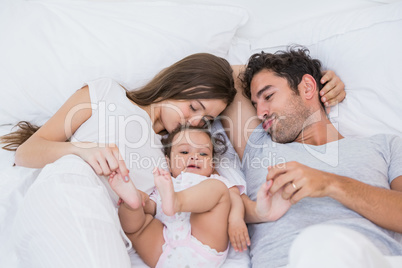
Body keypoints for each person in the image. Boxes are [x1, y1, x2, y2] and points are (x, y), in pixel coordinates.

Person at [0, 51, 344, 267]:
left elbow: (251, 76)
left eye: (203, 119)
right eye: (193, 108)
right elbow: (28, 151)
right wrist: (82, 151)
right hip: (68, 191)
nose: (194, 122)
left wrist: (318, 80)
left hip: (115, 231)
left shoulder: (177, 158)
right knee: (74, 171)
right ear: (178, 83)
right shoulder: (106, 95)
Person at [220, 46, 402, 267]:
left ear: (307, 87)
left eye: (268, 96)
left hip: (375, 259)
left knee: (321, 243)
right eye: (255, 103)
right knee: (315, 244)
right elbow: (225, 73)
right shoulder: (258, 145)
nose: (260, 113)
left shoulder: (385, 146)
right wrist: (318, 79)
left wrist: (330, 184)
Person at [109, 126, 247, 267]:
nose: (194, 156)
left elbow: (235, 199)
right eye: (184, 152)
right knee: (137, 227)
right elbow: (151, 208)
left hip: (204, 246)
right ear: (168, 163)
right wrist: (142, 200)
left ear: (212, 166)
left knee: (218, 190)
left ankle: (177, 201)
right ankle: (132, 202)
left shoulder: (215, 180)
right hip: (164, 248)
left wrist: (236, 220)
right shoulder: (165, 184)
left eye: (203, 154)